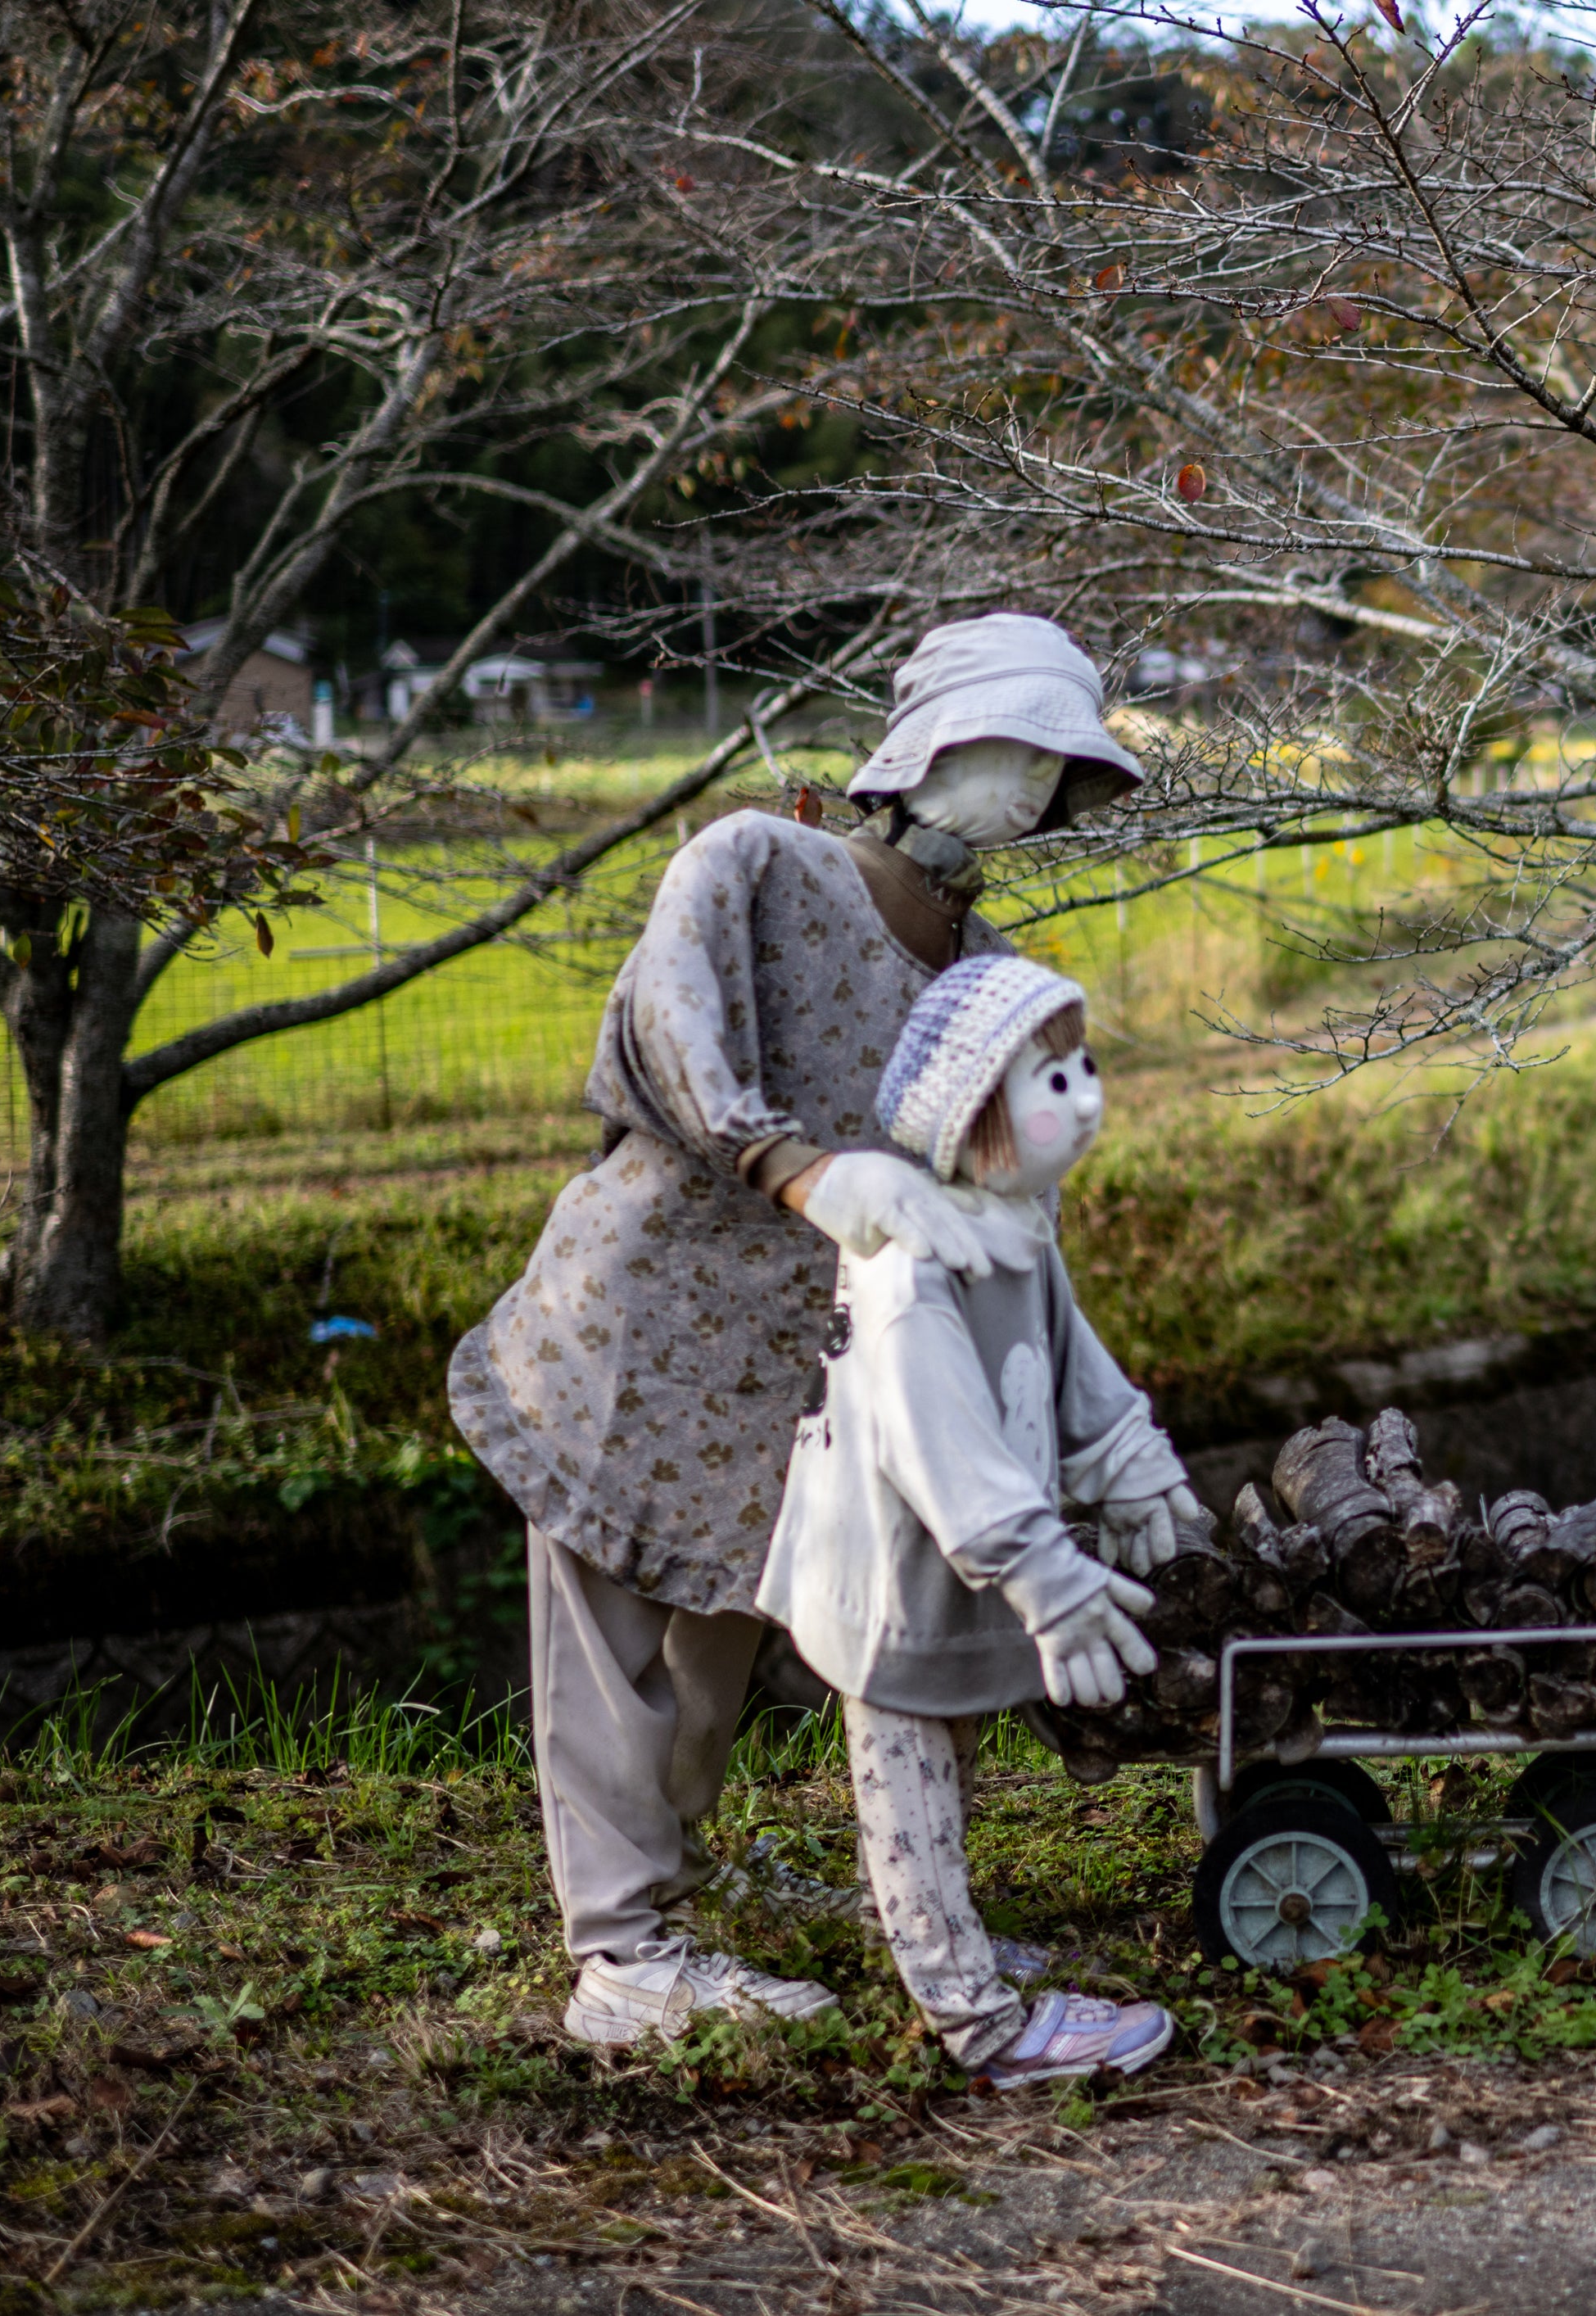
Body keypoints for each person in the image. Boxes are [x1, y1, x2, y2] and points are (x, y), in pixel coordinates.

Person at [450, 613, 1152, 2045]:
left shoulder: (989, 969)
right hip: (638, 1325)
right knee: (609, 1655)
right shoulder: (755, 863)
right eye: (1013, 745)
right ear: (930, 747)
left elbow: (997, 1180)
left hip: (798, 1373)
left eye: (1058, 764)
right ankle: (623, 1959)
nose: (1031, 786)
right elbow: (672, 1030)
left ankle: (685, 1887)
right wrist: (795, 1164)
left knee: (715, 1652)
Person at [757, 956, 1196, 2087]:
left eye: (1084, 1067)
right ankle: (978, 2023)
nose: (1084, 1097)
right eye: (1049, 1080)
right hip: (895, 1574)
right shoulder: (912, 1273)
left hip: (954, 1573)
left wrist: (1130, 1466)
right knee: (907, 1778)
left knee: (944, 1767)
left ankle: (927, 1934)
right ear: (972, 1113)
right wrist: (1048, 1580)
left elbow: (1070, 1369)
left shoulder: (1013, 1232)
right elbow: (941, 1451)